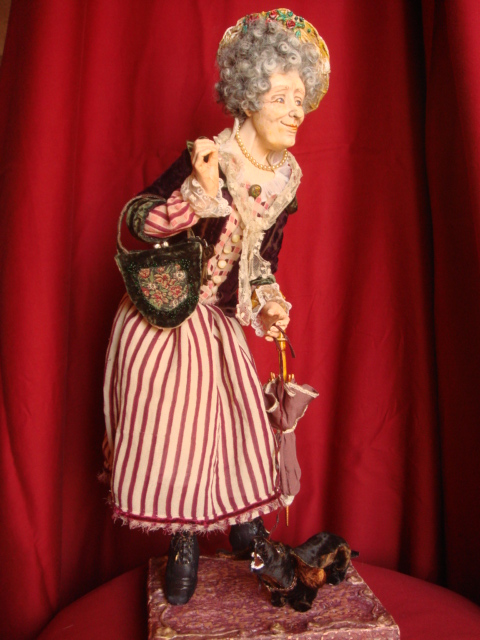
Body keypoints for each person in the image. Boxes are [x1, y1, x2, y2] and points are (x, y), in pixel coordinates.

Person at [102, 9, 330, 605]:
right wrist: (196, 196)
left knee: (235, 427)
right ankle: (184, 540)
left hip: (219, 325)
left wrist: (270, 304)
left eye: (300, 99)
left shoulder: (285, 179)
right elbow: (139, 222)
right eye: (280, 98)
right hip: (167, 321)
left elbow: (262, 261)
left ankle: (246, 531)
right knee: (178, 432)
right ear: (249, 98)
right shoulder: (209, 155)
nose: (294, 111)